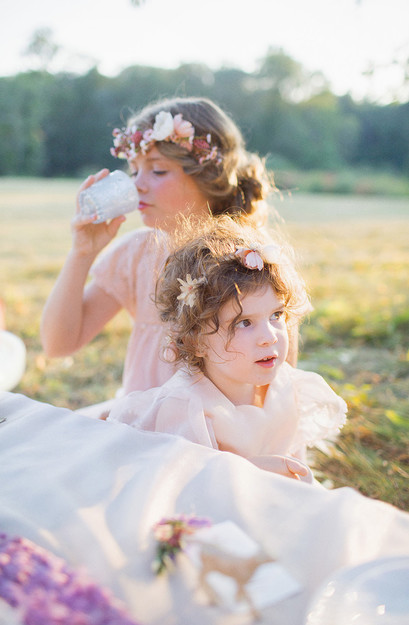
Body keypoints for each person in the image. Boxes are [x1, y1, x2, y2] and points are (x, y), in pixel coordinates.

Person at [40, 97, 298, 418]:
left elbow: (279, 376)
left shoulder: (249, 261)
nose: (137, 186)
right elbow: (58, 344)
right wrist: (82, 252)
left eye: (158, 170)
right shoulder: (137, 252)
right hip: (143, 418)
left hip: (214, 431)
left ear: (208, 176)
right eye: (134, 171)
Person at [108, 216, 347, 473]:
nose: (270, 336)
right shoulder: (188, 408)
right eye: (244, 323)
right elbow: (188, 485)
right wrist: (255, 472)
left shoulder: (286, 386)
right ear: (196, 341)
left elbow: (296, 463)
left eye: (276, 315)